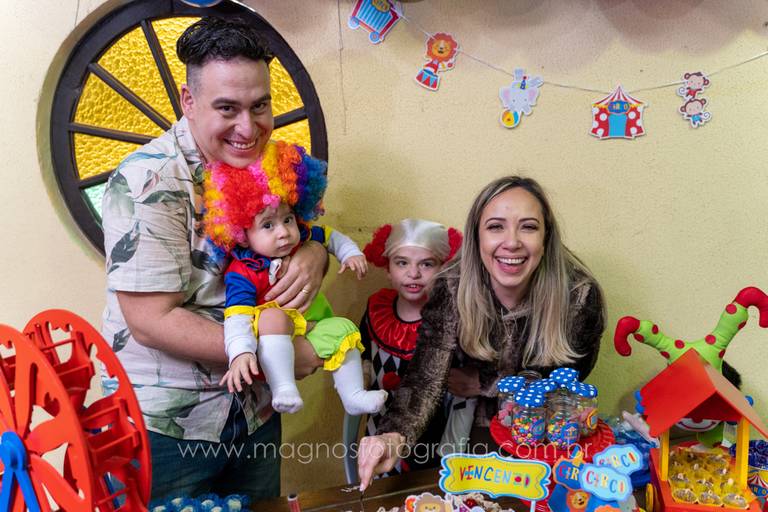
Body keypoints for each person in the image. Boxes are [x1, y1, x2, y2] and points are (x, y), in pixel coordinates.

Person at [100, 17, 326, 500]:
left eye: (260, 105)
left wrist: (315, 251)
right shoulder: (148, 180)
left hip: (255, 410)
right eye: (227, 108)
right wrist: (278, 354)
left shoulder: (275, 163)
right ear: (188, 101)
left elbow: (298, 231)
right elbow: (151, 321)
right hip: (165, 426)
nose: (248, 127)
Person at [357, 176, 606, 489]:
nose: (512, 242)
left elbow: (568, 378)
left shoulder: (579, 296)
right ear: (477, 237)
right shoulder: (451, 286)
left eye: (528, 227)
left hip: (547, 433)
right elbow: (425, 378)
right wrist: (393, 435)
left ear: (546, 239)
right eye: (496, 226)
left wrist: (487, 383)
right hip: (472, 427)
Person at [203, 151, 387, 417]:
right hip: (273, 342)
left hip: (312, 325)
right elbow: (237, 316)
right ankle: (284, 388)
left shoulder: (302, 236)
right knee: (273, 317)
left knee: (344, 329)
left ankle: (353, 395)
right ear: (241, 235)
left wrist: (350, 254)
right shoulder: (243, 271)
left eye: (288, 219)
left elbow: (331, 237)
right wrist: (240, 352)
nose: (283, 232)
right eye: (268, 225)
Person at [359, 219, 462, 474]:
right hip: (380, 425)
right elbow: (362, 357)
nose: (413, 273)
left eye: (426, 264)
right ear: (387, 267)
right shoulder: (376, 310)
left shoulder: (450, 320)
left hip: (433, 437)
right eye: (402, 262)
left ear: (443, 268)